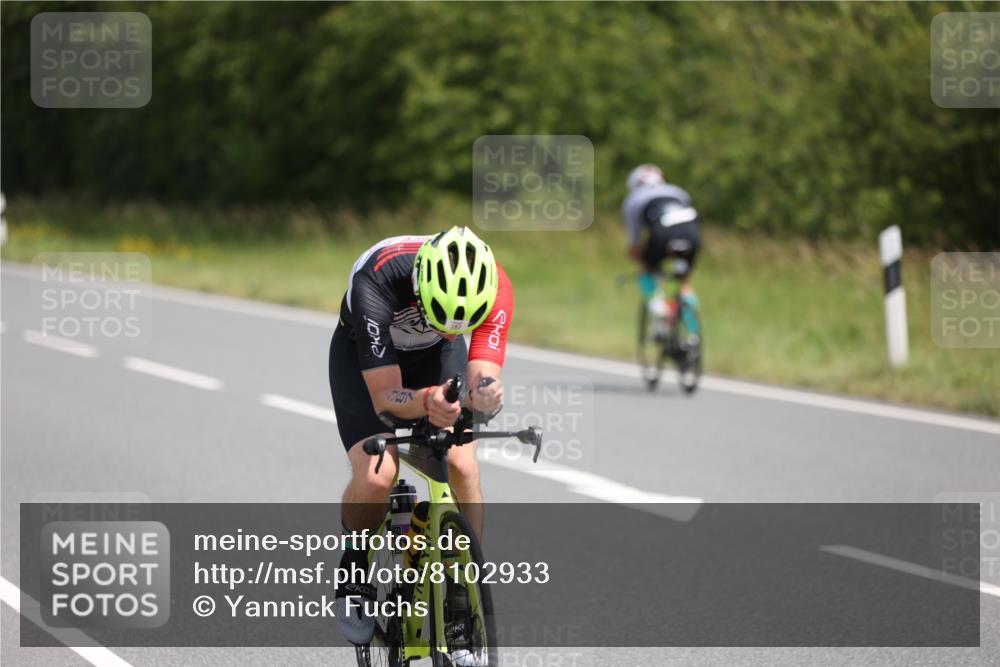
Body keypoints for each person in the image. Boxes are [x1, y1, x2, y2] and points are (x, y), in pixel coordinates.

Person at [328, 226, 513, 650]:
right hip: (368, 361)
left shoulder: (495, 284)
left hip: (434, 358)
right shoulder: (376, 278)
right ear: (419, 287)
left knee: (463, 464)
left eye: (460, 324)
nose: (451, 330)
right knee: (378, 473)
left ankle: (464, 593)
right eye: (437, 317)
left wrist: (484, 392)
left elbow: (484, 369)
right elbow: (385, 396)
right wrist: (428, 400)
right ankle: (355, 569)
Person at [621, 164, 701, 336]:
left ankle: (658, 307)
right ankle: (693, 333)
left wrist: (641, 261)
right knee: (683, 281)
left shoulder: (633, 200)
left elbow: (634, 241)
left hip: (663, 232)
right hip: (692, 232)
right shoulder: (678, 192)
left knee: (646, 268)